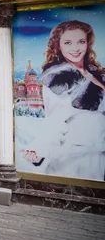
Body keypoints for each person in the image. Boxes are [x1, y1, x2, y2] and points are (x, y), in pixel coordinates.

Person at [25, 20, 105, 181]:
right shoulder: (57, 81)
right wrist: (39, 150)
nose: (75, 48)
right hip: (75, 161)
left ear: (87, 44)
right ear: (58, 46)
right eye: (68, 42)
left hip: (99, 157)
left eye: (80, 41)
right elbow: (55, 120)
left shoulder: (96, 74)